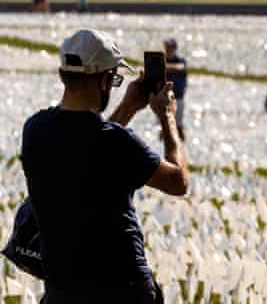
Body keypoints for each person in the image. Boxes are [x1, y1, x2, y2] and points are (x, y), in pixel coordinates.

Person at [21, 29, 188, 303]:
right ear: (104, 80)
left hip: (63, 288)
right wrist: (167, 117)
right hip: (123, 286)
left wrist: (129, 107)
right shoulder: (116, 143)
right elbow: (178, 181)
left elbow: (87, 142)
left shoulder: (35, 130)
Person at [164, 38, 188, 139]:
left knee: (178, 124)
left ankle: (181, 143)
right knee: (165, 125)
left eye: (170, 46)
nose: (168, 49)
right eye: (167, 46)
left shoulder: (180, 60)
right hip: (166, 98)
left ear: (174, 48)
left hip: (178, 97)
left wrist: (165, 66)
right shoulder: (164, 59)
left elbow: (180, 67)